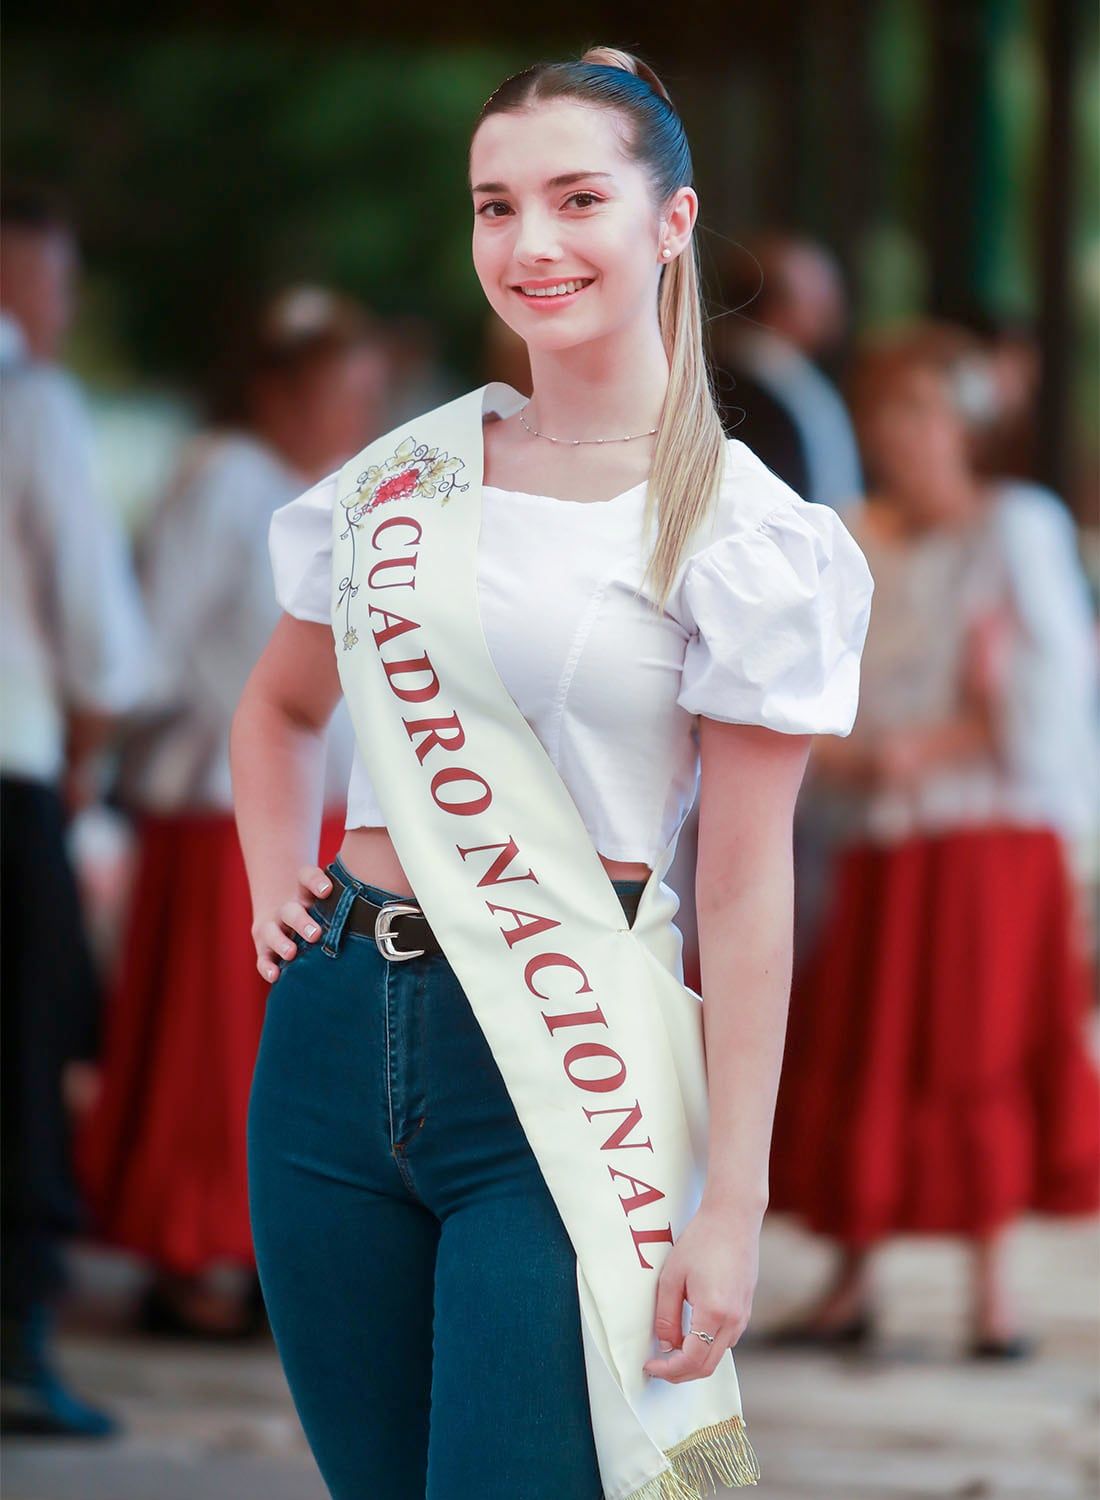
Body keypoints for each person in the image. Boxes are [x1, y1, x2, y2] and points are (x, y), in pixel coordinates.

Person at [231, 48, 874, 1500]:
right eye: (494, 205)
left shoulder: (743, 532)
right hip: (334, 1039)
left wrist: (737, 1201)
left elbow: (747, 883)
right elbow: (273, 711)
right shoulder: (405, 480)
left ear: (673, 221)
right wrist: (280, 870)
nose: (529, 245)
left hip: (563, 1061)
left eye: (578, 197)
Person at [765, 324, 1100, 1359]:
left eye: (918, 412)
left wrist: (936, 745)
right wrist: (848, 753)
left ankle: (990, 1290)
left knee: (975, 1043)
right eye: (883, 414)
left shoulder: (1015, 527)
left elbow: (1046, 693)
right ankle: (849, 1271)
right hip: (875, 827)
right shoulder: (855, 530)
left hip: (980, 836)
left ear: (962, 423)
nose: (898, 436)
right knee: (867, 1042)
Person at [77, 286, 385, 1339]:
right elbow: (150, 648)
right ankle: (189, 1244)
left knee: (291, 1052)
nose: (348, 418)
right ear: (275, 392)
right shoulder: (227, 486)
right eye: (332, 395)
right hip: (220, 813)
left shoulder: (344, 492)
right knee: (212, 1051)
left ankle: (271, 1253)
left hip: (325, 819)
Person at [0, 185, 149, 1436]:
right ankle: (14, 1344)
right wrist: (89, 757)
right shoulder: (29, 402)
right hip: (12, 777)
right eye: (49, 280)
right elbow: (96, 625)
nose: (61, 305)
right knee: (22, 1063)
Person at [709, 233, 863, 513]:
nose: (833, 306)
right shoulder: (777, 392)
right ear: (780, 306)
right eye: (821, 294)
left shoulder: (701, 372)